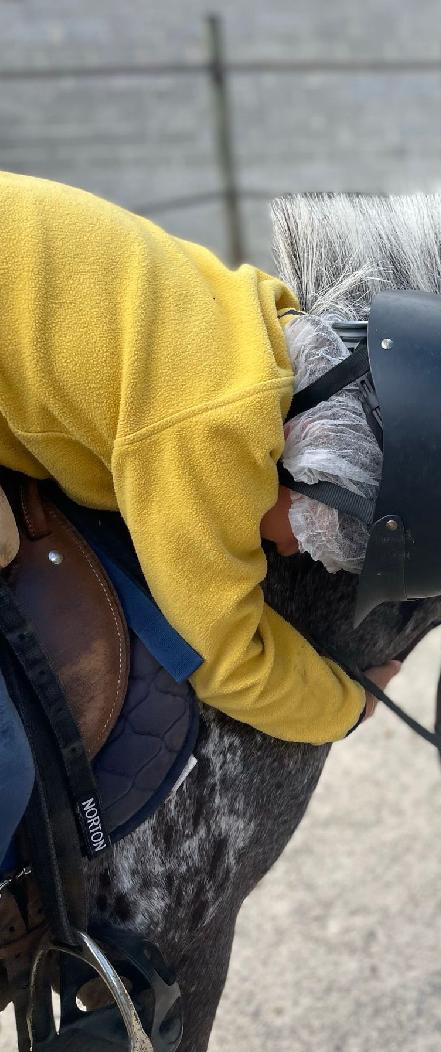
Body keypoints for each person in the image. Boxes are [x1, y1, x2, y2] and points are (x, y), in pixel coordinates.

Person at [0, 172, 403, 863]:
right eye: (306, 537)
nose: (291, 553)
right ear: (306, 482)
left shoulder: (255, 324)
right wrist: (348, 706)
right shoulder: (213, 435)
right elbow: (226, 660)